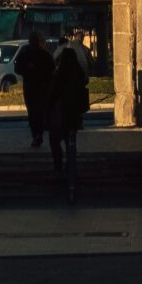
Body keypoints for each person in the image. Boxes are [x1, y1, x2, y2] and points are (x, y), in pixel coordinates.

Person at [46, 37, 91, 202]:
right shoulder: (79, 75)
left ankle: (59, 166)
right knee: (71, 142)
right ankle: (70, 167)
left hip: (60, 114)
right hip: (73, 116)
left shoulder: (59, 76)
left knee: (55, 140)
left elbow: (52, 95)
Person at [13, 35, 56, 149]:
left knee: (33, 113)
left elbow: (17, 69)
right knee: (39, 112)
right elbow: (52, 70)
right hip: (41, 87)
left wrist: (28, 71)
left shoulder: (26, 55)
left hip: (31, 87)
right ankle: (38, 134)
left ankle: (36, 135)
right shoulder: (44, 55)